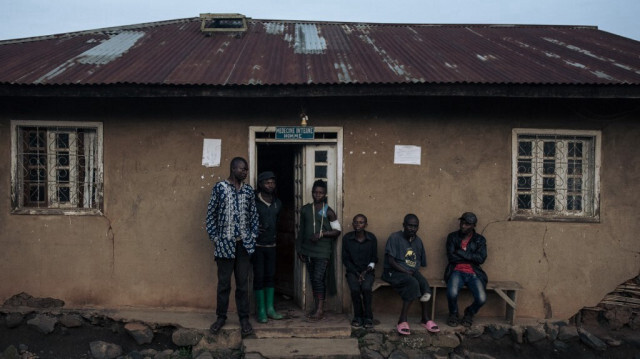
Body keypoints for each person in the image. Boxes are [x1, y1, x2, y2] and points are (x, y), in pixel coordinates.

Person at [205, 157, 259, 336]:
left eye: (246, 170)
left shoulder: (249, 191)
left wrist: (251, 236)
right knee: (224, 284)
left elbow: (254, 216)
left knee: (243, 284)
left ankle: (244, 319)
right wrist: (216, 238)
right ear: (233, 168)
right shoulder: (220, 188)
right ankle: (221, 317)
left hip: (243, 245)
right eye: (243, 169)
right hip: (224, 245)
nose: (245, 172)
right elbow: (210, 214)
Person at [382, 214, 440, 335]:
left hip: (410, 271)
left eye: (415, 226)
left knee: (424, 285)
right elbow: (391, 261)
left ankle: (425, 318)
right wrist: (405, 271)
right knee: (412, 283)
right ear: (404, 225)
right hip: (393, 271)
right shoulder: (395, 237)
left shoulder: (418, 241)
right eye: (410, 225)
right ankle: (402, 320)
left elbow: (419, 262)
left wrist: (412, 270)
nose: (412, 228)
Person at [296, 179, 341, 321]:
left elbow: (337, 231)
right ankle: (317, 308)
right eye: (315, 192)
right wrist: (300, 249)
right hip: (308, 250)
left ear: (325, 194)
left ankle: (320, 310)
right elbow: (301, 231)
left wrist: (322, 234)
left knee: (318, 278)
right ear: (312, 193)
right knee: (313, 279)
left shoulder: (329, 211)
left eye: (321, 193)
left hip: (323, 251)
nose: (317, 195)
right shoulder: (305, 209)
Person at [444, 212, 488, 327]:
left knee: (482, 298)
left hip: (473, 273)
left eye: (467, 224)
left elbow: (481, 259)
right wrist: (470, 257)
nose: (463, 226)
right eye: (462, 223)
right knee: (452, 293)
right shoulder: (452, 237)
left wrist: (460, 252)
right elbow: (451, 257)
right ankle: (453, 314)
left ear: (473, 226)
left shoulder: (480, 240)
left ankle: (469, 313)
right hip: (456, 271)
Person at [253, 171, 284, 323]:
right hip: (257, 245)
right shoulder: (253, 201)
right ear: (260, 184)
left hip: (272, 245)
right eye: (267, 182)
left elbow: (277, 222)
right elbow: (245, 218)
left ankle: (270, 309)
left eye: (272, 182)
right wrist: (254, 227)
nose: (270, 185)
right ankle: (261, 310)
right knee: (259, 276)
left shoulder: (277, 203)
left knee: (270, 276)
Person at [342, 214, 378, 328]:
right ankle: (358, 316)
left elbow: (374, 258)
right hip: (352, 272)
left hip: (368, 272)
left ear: (366, 225)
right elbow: (345, 259)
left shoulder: (372, 238)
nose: (358, 224)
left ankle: (368, 317)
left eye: (361, 222)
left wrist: (365, 272)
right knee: (355, 289)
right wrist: (357, 273)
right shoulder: (347, 238)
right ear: (352, 224)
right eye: (356, 222)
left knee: (366, 288)